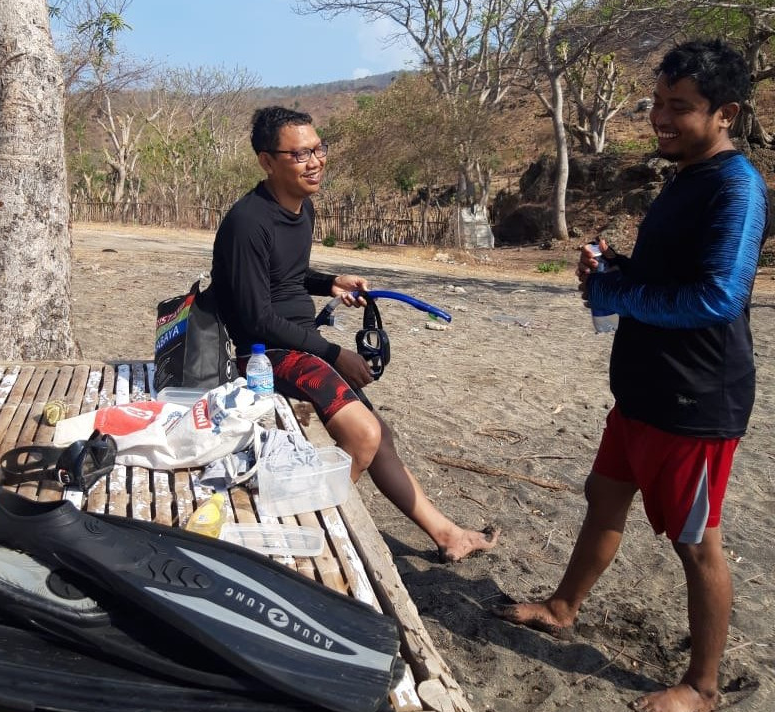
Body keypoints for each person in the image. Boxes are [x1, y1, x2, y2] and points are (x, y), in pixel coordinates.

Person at [493, 38, 769, 712]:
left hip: (694, 401)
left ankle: (702, 687)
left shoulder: (736, 188)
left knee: (695, 542)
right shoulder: (686, 177)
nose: (662, 119)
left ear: (725, 112)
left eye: (682, 108)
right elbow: (672, 276)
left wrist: (620, 296)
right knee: (604, 494)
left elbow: (718, 297)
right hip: (643, 392)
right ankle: (563, 606)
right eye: (659, 104)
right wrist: (617, 270)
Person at [211, 105, 499, 563]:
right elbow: (253, 316)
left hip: (299, 343)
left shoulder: (301, 209)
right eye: (300, 153)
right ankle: (299, 537)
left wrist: (330, 283)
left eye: (318, 149)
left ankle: (448, 535)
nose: (315, 161)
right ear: (267, 161)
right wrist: (333, 352)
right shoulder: (248, 222)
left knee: (378, 435)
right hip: (265, 353)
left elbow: (287, 275)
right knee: (363, 437)